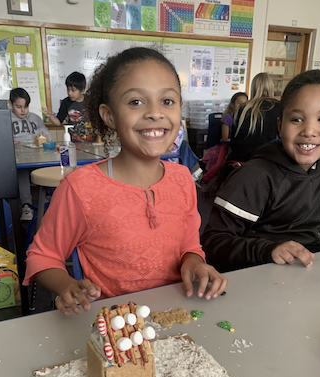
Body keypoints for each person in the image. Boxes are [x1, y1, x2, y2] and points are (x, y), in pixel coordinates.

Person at [24, 47, 228, 315]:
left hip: (178, 316)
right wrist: (67, 285)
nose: (155, 113)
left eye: (167, 101)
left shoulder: (182, 180)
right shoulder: (81, 188)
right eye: (135, 102)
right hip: (116, 329)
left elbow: (189, 247)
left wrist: (193, 262)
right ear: (109, 116)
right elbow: (42, 256)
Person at [201, 69, 320, 273]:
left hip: (310, 274)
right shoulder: (254, 176)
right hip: (259, 276)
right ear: (280, 126)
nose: (309, 131)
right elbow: (213, 242)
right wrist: (267, 250)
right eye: (297, 120)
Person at [209, 73, 280, 192]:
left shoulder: (243, 108)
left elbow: (235, 138)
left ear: (253, 87)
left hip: (239, 158)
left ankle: (214, 186)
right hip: (265, 159)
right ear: (271, 86)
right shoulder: (278, 107)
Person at [10, 87, 52, 221]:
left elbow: (49, 137)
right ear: (11, 104)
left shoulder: (35, 118)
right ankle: (26, 205)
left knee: (48, 167)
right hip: (18, 156)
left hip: (37, 154)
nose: (23, 110)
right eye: (19, 107)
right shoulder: (5, 119)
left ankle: (49, 199)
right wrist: (8, 141)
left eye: (26, 107)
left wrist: (46, 137)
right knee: (22, 171)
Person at [201, 92, 248, 184]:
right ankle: (203, 180)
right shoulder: (228, 118)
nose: (242, 106)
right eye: (239, 103)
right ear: (232, 104)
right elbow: (225, 138)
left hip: (239, 147)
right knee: (219, 165)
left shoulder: (246, 119)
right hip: (227, 146)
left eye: (245, 104)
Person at [43, 71, 94, 142]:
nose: (69, 93)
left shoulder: (91, 101)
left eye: (73, 90)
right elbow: (58, 122)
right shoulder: (66, 102)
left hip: (91, 142)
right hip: (73, 143)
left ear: (82, 91)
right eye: (68, 89)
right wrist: (50, 115)